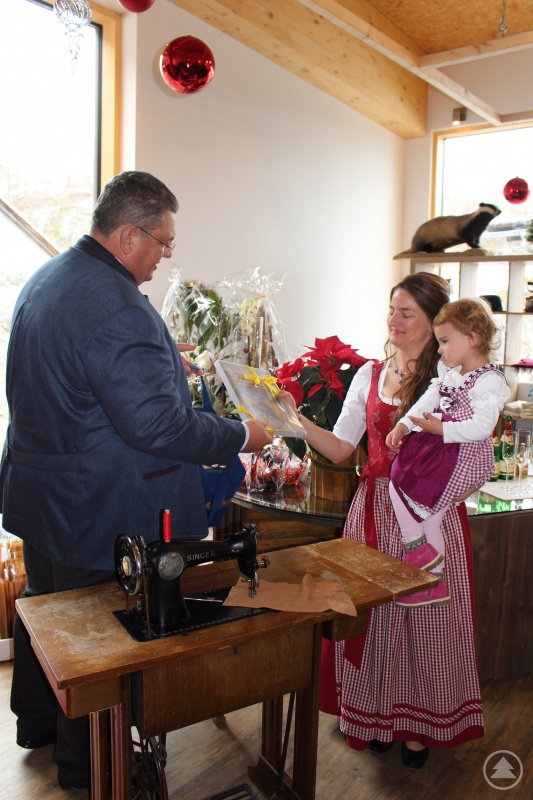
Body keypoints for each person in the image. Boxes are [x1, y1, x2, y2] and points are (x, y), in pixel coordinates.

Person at [0, 171, 272, 791]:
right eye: (163, 242)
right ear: (129, 235)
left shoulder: (53, 276)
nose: (166, 256)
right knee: (93, 646)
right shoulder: (117, 305)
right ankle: (85, 766)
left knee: (43, 614)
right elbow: (157, 426)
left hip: (44, 494)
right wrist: (238, 435)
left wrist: (157, 358)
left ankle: (38, 725)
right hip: (97, 507)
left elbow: (81, 382)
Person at [284, 273, 484, 769]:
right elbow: (341, 447)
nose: (394, 320)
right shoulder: (369, 375)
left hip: (429, 516)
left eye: (407, 312)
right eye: (391, 310)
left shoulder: (455, 385)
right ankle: (377, 716)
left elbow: (477, 460)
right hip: (372, 509)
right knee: (375, 621)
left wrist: (427, 502)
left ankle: (418, 728)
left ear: (435, 322)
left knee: (424, 623)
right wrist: (295, 418)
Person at [386, 298, 510, 607]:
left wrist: (442, 430)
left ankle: (417, 550)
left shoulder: (489, 380)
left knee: (399, 483)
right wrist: (404, 424)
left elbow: (483, 427)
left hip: (463, 458)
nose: (439, 350)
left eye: (445, 341)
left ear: (472, 338)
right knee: (429, 515)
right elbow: (430, 398)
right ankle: (434, 583)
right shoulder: (450, 370)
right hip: (444, 450)